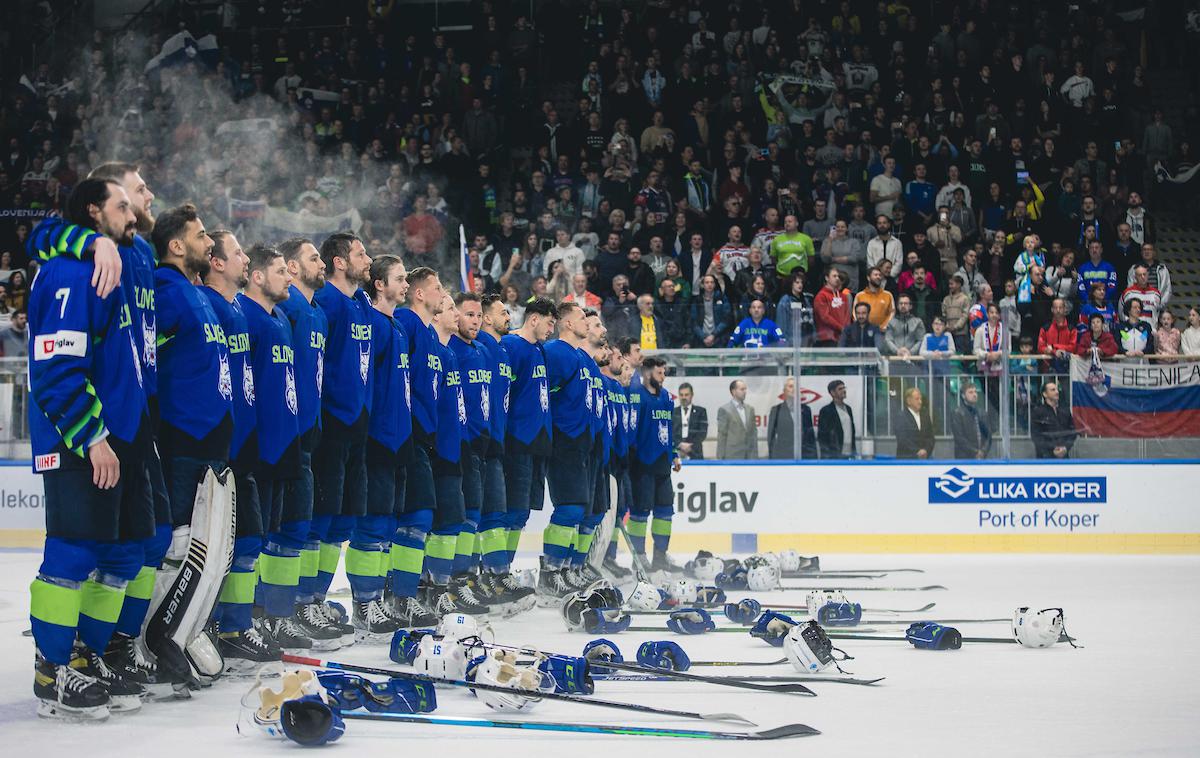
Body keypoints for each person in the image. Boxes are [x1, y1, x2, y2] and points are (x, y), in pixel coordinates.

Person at [27, 178, 150, 719]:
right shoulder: (68, 272)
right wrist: (92, 437)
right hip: (82, 439)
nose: (134, 212)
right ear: (95, 212)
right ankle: (51, 670)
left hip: (123, 437)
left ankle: (86, 654)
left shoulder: (115, 262)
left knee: (121, 554)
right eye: (123, 205)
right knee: (73, 553)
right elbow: (56, 371)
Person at [198, 233, 293, 662]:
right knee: (218, 545)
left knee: (250, 540)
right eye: (234, 251)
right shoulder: (212, 306)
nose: (240, 255)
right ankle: (216, 625)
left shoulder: (238, 309)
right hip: (220, 446)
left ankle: (235, 625)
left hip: (250, 446)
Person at [151, 203, 235, 680]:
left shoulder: (194, 292)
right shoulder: (167, 291)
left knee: (206, 544)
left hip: (210, 440)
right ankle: (154, 639)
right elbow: (149, 360)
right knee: (178, 545)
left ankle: (182, 631)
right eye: (201, 236)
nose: (210, 242)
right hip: (183, 439)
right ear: (177, 245)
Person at [310, 233, 377, 633]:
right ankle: (305, 601)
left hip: (358, 425)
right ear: (338, 262)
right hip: (332, 424)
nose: (367, 259)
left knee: (341, 523)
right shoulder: (328, 304)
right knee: (322, 517)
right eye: (359, 253)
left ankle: (317, 598)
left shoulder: (361, 302)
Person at [275, 238, 334, 633]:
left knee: (302, 527)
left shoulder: (318, 314)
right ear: (293, 268)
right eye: (314, 258)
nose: (322, 263)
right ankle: (272, 614)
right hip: (286, 434)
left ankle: (293, 608)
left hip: (311, 433)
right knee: (284, 529)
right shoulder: (287, 309)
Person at [538, 302, 599, 601]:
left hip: (580, 443)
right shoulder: (556, 352)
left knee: (576, 509)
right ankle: (551, 573)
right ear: (565, 324)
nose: (586, 322)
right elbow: (543, 393)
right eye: (580, 318)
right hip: (564, 440)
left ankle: (563, 570)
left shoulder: (580, 356)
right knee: (570, 507)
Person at [499, 297, 555, 593]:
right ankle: (498, 573)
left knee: (522, 514)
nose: (551, 328)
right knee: (512, 510)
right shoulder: (512, 346)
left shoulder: (540, 351)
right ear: (534, 319)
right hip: (517, 441)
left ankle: (505, 570)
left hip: (537, 444)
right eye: (549, 322)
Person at [628, 355, 682, 574]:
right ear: (648, 373)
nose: (663, 376)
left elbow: (669, 430)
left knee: (665, 511)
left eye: (664, 372)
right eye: (660, 372)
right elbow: (632, 429)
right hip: (642, 464)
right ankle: (638, 557)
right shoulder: (637, 397)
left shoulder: (667, 398)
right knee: (640, 513)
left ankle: (660, 555)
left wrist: (674, 453)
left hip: (662, 465)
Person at [766, 377, 817, 459]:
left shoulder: (806, 410)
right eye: (790, 386)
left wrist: (814, 458)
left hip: (804, 456)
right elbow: (771, 437)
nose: (794, 389)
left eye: (796, 387)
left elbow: (810, 437)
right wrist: (773, 459)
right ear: (784, 391)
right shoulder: (776, 410)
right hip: (784, 457)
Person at [1031, 380, 1077, 459]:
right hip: (1045, 458)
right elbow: (1036, 436)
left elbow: (1072, 432)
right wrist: (1052, 449)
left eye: (1057, 389)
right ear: (1045, 394)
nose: (1057, 392)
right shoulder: (1038, 412)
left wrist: (1066, 448)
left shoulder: (1065, 411)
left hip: (1064, 456)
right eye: (1053, 390)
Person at [716, 379, 758, 459]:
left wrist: (755, 455)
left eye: (745, 389)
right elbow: (722, 436)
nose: (745, 391)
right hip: (732, 455)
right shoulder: (724, 410)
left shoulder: (750, 409)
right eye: (742, 389)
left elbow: (754, 434)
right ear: (734, 391)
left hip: (749, 455)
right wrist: (720, 457)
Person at [950, 381, 991, 459]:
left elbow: (988, 436)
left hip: (982, 458)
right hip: (964, 459)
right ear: (963, 395)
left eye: (975, 392)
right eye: (970, 392)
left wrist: (983, 451)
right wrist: (975, 452)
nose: (974, 395)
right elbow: (959, 438)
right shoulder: (957, 413)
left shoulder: (982, 413)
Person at [817, 380, 856, 459]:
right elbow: (822, 436)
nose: (844, 391)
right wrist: (827, 455)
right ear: (832, 393)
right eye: (840, 389)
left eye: (844, 388)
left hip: (849, 453)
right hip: (834, 454)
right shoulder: (826, 411)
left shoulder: (848, 409)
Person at [894, 387, 935, 459]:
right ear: (909, 401)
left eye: (920, 399)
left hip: (924, 459)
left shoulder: (925, 415)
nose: (920, 402)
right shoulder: (901, 417)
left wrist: (925, 450)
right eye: (917, 399)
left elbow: (930, 437)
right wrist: (917, 452)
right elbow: (902, 439)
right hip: (906, 460)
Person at [814, 268, 852, 346]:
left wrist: (846, 330)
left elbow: (847, 315)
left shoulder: (843, 296)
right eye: (834, 276)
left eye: (838, 276)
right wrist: (841, 328)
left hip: (842, 337)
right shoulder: (821, 296)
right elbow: (824, 317)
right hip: (827, 337)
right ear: (827, 278)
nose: (837, 278)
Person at [776, 269, 814, 346]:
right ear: (791, 284)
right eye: (797, 282)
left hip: (806, 339)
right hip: (791, 340)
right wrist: (784, 341)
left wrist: (813, 335)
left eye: (801, 283)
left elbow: (811, 318)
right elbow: (781, 323)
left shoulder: (806, 300)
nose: (800, 285)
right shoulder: (785, 300)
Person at [672, 382, 707, 460]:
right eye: (681, 395)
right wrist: (679, 444)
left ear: (692, 395)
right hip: (676, 452)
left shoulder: (701, 411)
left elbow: (703, 432)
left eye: (686, 395)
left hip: (695, 452)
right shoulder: (673, 412)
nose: (684, 397)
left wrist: (690, 446)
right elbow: (670, 432)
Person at [854, 265, 895, 329]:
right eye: (875, 275)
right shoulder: (860, 295)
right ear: (868, 278)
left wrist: (884, 326)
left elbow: (892, 312)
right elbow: (854, 313)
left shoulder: (888, 295)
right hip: (864, 331)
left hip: (883, 332)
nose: (878, 277)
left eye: (880, 275)